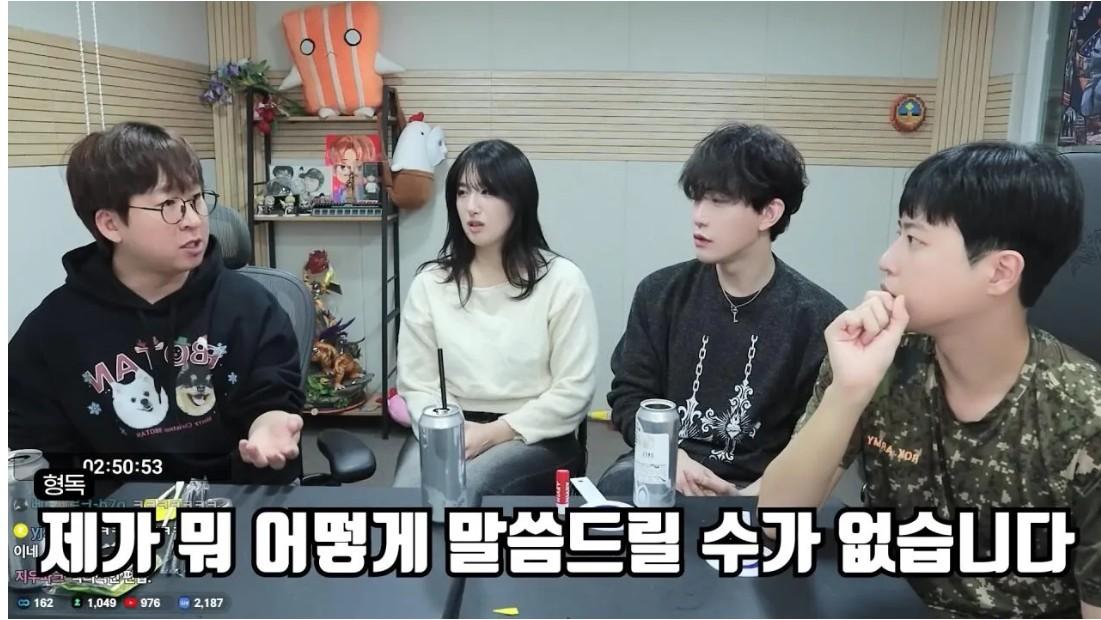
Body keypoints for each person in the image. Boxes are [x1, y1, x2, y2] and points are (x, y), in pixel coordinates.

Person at [758, 142, 1100, 618]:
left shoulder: (1085, 418)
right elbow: (776, 522)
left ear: (1000, 272)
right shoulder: (880, 360)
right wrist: (848, 392)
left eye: (915, 240)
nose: (887, 259)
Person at [8, 121, 306, 484]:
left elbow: (272, 396)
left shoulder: (251, 306)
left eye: (195, 200)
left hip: (234, 496)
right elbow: (38, 447)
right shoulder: (52, 330)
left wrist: (270, 424)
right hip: (119, 508)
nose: (193, 220)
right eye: (169, 205)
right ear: (111, 224)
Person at [597, 123, 844, 498]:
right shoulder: (660, 294)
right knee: (614, 492)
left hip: (760, 484)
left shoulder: (817, 318)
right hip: (664, 464)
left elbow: (814, 438)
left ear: (769, 213)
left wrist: (751, 495)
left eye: (718, 201)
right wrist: (671, 457)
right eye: (697, 199)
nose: (699, 215)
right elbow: (630, 396)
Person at [393, 139, 598, 498]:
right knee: (408, 495)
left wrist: (494, 432)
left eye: (487, 192)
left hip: (533, 434)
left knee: (468, 489)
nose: (472, 206)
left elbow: (573, 391)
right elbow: (417, 383)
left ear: (519, 200)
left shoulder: (562, 282)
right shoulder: (431, 284)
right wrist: (449, 430)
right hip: (449, 427)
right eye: (462, 192)